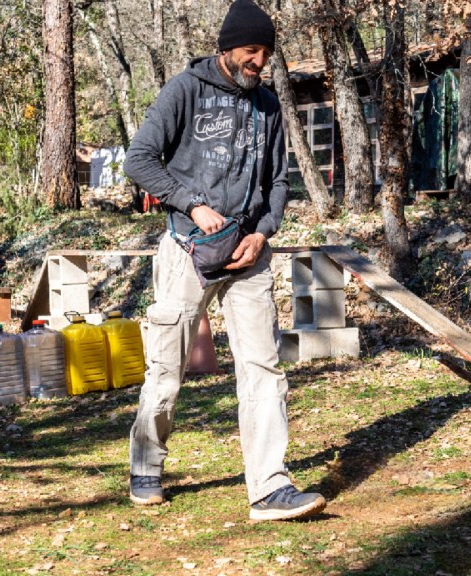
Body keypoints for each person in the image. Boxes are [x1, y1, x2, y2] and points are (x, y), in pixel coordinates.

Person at [122, 0, 325, 521]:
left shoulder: (270, 105)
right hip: (187, 250)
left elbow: (279, 183)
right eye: (252, 51)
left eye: (266, 53)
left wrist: (263, 233)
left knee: (263, 368)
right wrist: (191, 203)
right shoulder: (184, 90)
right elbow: (139, 159)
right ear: (227, 48)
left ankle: (270, 487)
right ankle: (146, 464)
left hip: (249, 255)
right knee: (166, 370)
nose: (260, 62)